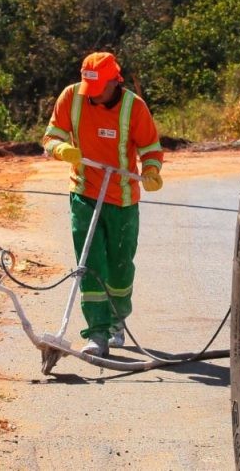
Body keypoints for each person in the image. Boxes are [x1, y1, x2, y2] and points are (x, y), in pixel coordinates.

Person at [42, 52, 164, 357]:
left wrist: (150, 171)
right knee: (90, 264)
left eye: (99, 91)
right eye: (90, 90)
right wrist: (62, 150)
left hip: (122, 199)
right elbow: (51, 136)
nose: (93, 98)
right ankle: (96, 333)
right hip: (84, 193)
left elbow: (150, 147)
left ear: (114, 81)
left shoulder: (133, 107)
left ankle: (116, 322)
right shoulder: (72, 97)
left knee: (120, 268)